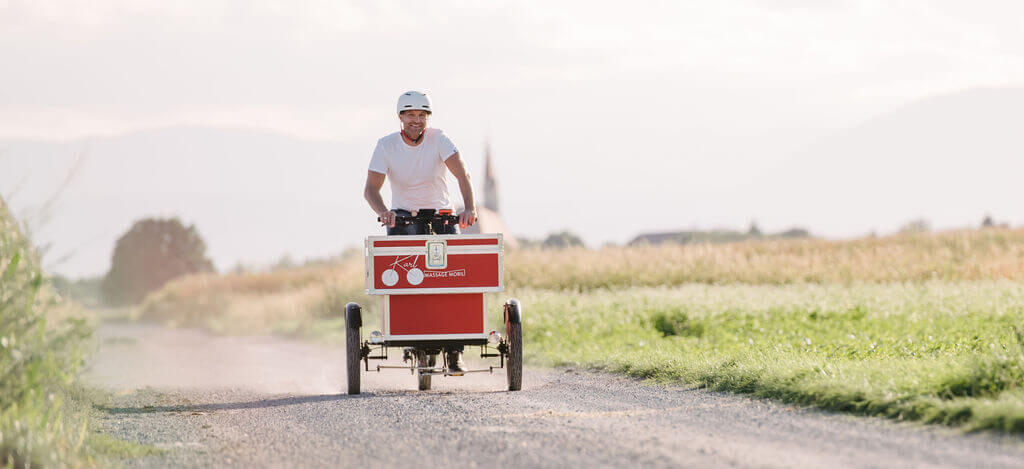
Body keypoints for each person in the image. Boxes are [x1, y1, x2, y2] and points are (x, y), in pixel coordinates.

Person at [363, 90, 477, 373]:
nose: (417, 121)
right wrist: (383, 212)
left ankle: (454, 352)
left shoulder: (440, 139)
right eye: (411, 115)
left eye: (422, 115)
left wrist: (470, 208)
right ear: (400, 117)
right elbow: (370, 190)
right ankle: (411, 337)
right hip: (403, 218)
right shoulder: (387, 145)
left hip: (442, 215)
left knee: (454, 280)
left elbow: (462, 174)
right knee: (404, 280)